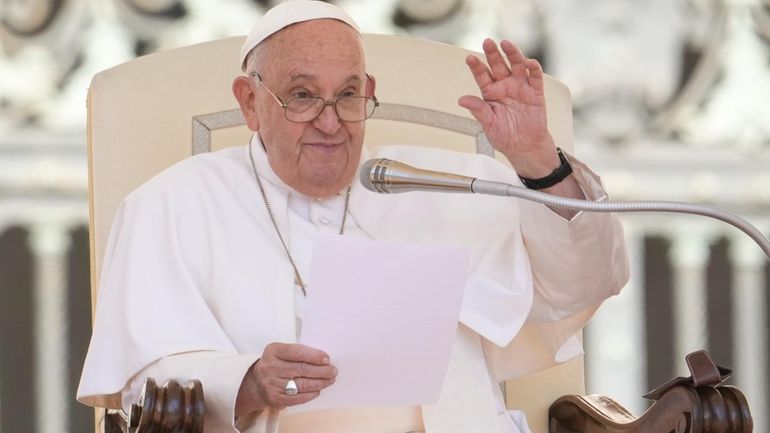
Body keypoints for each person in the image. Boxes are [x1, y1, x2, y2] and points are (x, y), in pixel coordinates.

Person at [77, 1, 629, 432]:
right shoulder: (169, 206)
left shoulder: (444, 185)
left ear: (369, 93)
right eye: (301, 96)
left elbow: (587, 282)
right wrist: (248, 382)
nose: (330, 122)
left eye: (347, 96)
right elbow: (145, 391)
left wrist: (536, 159)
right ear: (250, 102)